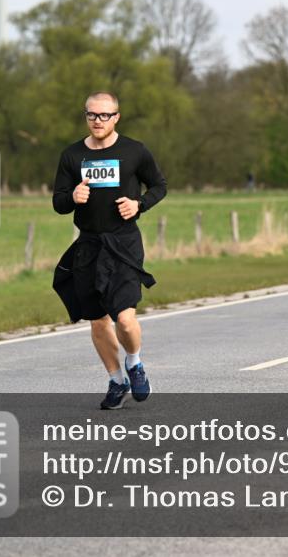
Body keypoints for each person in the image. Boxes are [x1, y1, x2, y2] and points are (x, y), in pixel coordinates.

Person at [52, 92, 167, 409]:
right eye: (92, 115)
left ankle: (135, 362)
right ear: (85, 116)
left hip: (124, 244)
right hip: (88, 246)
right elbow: (58, 202)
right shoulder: (72, 156)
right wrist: (72, 197)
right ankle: (116, 380)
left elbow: (159, 185)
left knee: (125, 320)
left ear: (116, 116)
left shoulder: (134, 151)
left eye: (104, 115)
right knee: (98, 321)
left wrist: (139, 204)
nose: (97, 121)